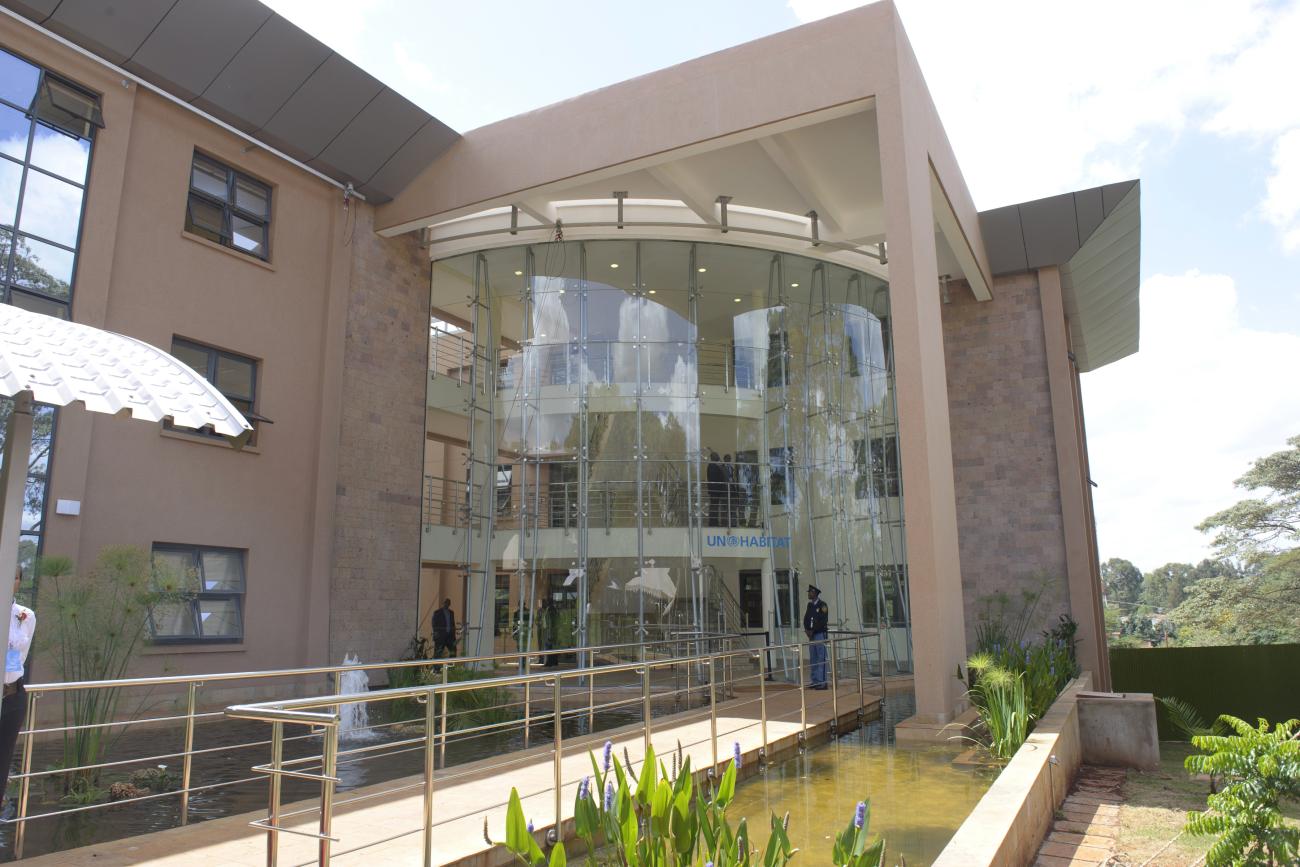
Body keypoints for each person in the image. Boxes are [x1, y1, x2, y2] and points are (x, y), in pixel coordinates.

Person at [1, 569, 34, 805]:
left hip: (12, 693)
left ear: (19, 582)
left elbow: (20, 655)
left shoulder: (25, 615)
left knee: (3, 756)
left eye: (15, 576)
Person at [803, 584, 829, 690]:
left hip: (819, 634)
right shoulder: (810, 605)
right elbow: (806, 618)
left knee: (820, 658)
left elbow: (823, 621)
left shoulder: (822, 605)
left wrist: (813, 631)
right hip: (811, 635)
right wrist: (807, 630)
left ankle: (822, 683)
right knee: (813, 658)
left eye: (810, 592)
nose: (809, 594)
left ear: (815, 593)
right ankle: (815, 681)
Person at [538, 598, 560, 668]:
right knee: (552, 647)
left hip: (549, 631)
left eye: (547, 602)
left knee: (549, 647)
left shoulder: (550, 610)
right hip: (552, 631)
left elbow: (550, 622)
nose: (546, 603)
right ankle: (553, 662)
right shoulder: (553, 609)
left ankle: (549, 662)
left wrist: (550, 633)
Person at [706, 451, 724, 526]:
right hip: (715, 489)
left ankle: (714, 522)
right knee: (714, 506)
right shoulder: (712, 466)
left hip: (715, 489)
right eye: (717, 456)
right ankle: (713, 522)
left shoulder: (713, 465)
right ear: (714, 457)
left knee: (715, 506)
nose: (718, 457)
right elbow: (716, 478)